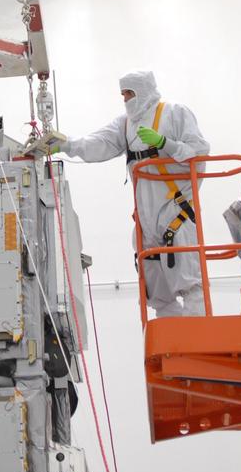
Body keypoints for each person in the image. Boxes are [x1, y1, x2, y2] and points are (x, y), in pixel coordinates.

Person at [44, 71, 210, 316]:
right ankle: (171, 348)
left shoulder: (175, 112)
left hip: (176, 210)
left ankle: (200, 341)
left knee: (190, 284)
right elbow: (98, 142)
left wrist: (166, 144)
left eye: (130, 93)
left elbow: (200, 152)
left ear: (143, 90)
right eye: (123, 94)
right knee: (156, 291)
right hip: (145, 219)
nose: (126, 99)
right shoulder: (125, 123)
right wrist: (66, 144)